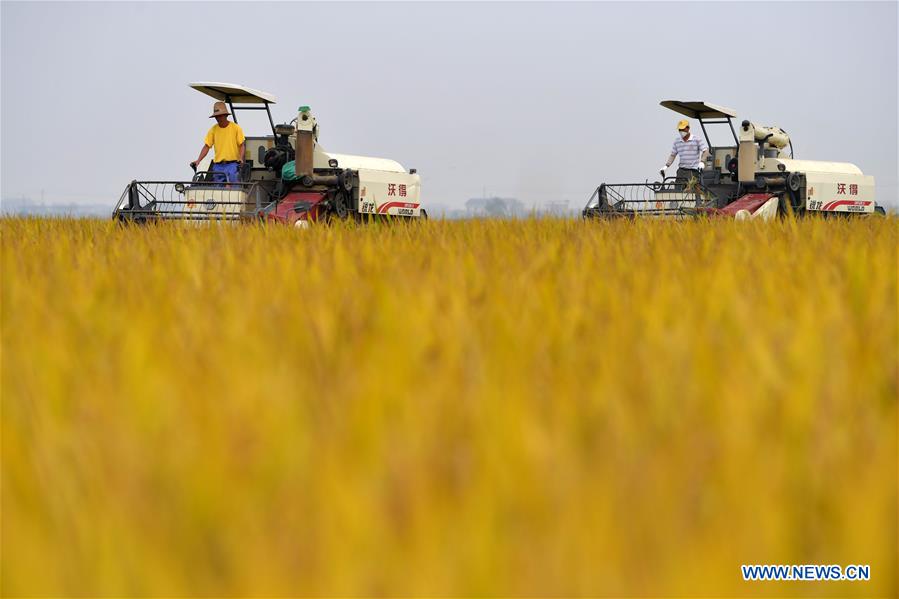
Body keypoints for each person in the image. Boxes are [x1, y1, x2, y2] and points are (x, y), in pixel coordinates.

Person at [190, 102, 246, 184]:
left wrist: (240, 158)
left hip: (232, 164)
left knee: (233, 189)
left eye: (220, 116)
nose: (218, 118)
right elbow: (206, 146)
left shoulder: (236, 128)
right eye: (216, 116)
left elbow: (242, 145)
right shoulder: (213, 130)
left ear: (225, 115)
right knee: (217, 190)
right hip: (218, 166)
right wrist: (198, 161)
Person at [660, 119, 709, 185]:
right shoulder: (677, 141)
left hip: (692, 171)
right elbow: (673, 155)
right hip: (681, 171)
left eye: (683, 129)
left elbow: (705, 151)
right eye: (680, 130)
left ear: (688, 128)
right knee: (678, 190)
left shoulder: (696, 139)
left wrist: (702, 161)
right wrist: (666, 166)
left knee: (690, 191)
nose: (681, 131)